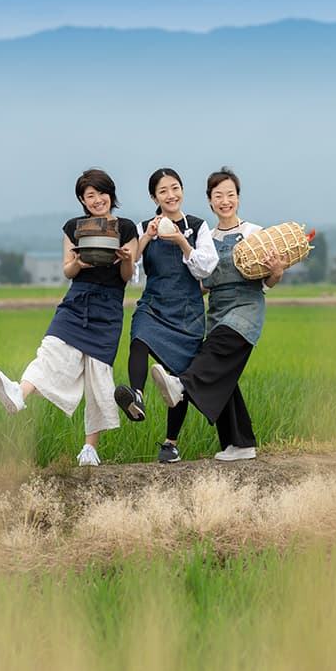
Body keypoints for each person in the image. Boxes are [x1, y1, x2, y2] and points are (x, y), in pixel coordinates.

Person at [0, 168, 138, 466]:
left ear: (111, 193)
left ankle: (90, 449)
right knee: (52, 351)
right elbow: (67, 270)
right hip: (77, 299)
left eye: (101, 193)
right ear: (82, 200)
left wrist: (128, 258)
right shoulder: (74, 227)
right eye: (89, 195)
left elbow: (126, 276)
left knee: (97, 374)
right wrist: (79, 262)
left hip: (108, 306)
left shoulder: (127, 227)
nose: (97, 200)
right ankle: (19, 393)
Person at [153, 166, 285, 461]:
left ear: (238, 198)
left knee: (214, 354)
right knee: (223, 377)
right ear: (210, 201)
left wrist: (277, 272)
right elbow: (201, 284)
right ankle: (240, 444)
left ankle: (181, 384)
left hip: (246, 310)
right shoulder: (206, 238)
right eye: (218, 196)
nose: (225, 201)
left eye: (230, 195)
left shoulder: (255, 233)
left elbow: (268, 280)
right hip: (217, 312)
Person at [113, 167, 217, 463]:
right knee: (139, 339)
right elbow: (131, 272)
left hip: (187, 312)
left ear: (182, 190)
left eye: (175, 188)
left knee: (177, 378)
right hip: (155, 304)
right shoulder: (143, 226)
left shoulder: (198, 226)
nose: (170, 195)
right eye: (163, 191)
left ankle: (171, 444)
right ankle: (136, 396)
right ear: (153, 197)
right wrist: (146, 237)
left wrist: (182, 242)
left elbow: (205, 269)